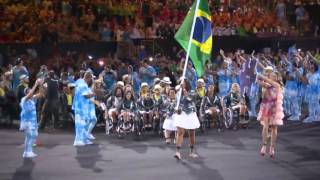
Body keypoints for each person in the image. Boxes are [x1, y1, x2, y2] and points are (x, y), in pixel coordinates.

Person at [256, 72, 284, 158]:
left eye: (274, 76)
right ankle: (264, 146)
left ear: (277, 78)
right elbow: (258, 82)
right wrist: (255, 75)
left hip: (274, 108)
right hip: (266, 107)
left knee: (274, 128)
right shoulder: (268, 85)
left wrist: (261, 75)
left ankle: (272, 148)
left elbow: (267, 80)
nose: (272, 77)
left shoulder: (277, 85)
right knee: (266, 126)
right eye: (272, 76)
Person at [173, 79, 200, 160]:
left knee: (191, 133)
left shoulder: (193, 91)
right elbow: (176, 102)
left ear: (186, 83)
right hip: (181, 113)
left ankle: (191, 152)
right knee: (180, 132)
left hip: (191, 113)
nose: (181, 83)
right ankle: (177, 152)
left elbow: (190, 99)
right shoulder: (178, 92)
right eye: (180, 82)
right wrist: (176, 108)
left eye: (183, 82)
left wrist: (184, 90)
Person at [19, 78, 43, 158]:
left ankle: (30, 151)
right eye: (29, 91)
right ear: (26, 93)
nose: (31, 92)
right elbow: (30, 94)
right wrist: (36, 84)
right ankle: (26, 152)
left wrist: (40, 85)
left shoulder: (32, 99)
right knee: (29, 136)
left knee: (34, 135)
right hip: (27, 121)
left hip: (33, 121)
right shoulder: (24, 99)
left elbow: (41, 94)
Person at [72, 72, 96, 146]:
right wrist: (94, 94)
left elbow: (72, 90)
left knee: (84, 124)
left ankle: (84, 139)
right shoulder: (83, 84)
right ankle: (78, 141)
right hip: (80, 108)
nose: (91, 80)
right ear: (88, 78)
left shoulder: (79, 82)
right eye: (91, 79)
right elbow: (85, 96)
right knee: (80, 124)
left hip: (82, 107)